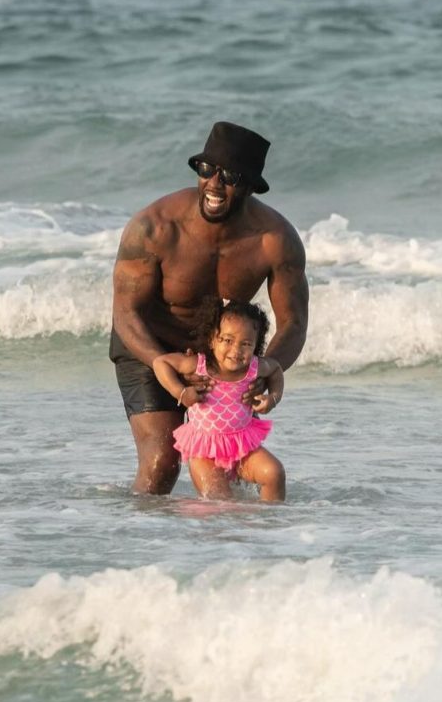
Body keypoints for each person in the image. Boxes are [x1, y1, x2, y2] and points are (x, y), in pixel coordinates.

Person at [111, 121, 308, 494]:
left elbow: (294, 323)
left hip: (219, 356)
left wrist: (267, 368)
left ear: (249, 186)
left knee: (231, 467)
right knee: (161, 463)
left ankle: (232, 546)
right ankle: (140, 543)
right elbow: (125, 314)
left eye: (229, 176)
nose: (214, 185)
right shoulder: (155, 227)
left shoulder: (275, 241)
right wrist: (163, 365)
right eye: (206, 171)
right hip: (147, 346)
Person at [153, 298, 286, 502]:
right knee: (219, 502)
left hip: (242, 446)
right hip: (204, 452)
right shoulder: (198, 365)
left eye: (246, 344)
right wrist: (180, 392)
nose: (236, 350)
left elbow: (276, 369)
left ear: (256, 345)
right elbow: (160, 362)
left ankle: (268, 524)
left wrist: (273, 398)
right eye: (227, 340)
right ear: (212, 339)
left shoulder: (254, 367)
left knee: (274, 473)